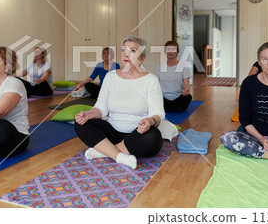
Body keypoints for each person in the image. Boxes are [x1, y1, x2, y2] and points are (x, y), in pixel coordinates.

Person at [74, 36, 166, 169]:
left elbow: (158, 114)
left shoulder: (151, 80)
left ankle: (104, 151)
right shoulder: (111, 77)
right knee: (81, 123)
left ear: (141, 58)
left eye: (133, 51)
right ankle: (119, 155)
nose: (126, 54)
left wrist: (150, 121)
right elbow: (101, 108)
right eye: (124, 50)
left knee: (153, 137)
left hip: (137, 134)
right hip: (111, 133)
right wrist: (88, 114)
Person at [156, 40, 192, 112]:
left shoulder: (183, 66)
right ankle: (171, 108)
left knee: (188, 97)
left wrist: (186, 90)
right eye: (168, 49)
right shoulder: (160, 66)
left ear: (177, 52)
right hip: (163, 98)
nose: (170, 52)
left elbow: (186, 82)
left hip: (178, 98)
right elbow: (157, 82)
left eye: (173, 49)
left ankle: (173, 107)